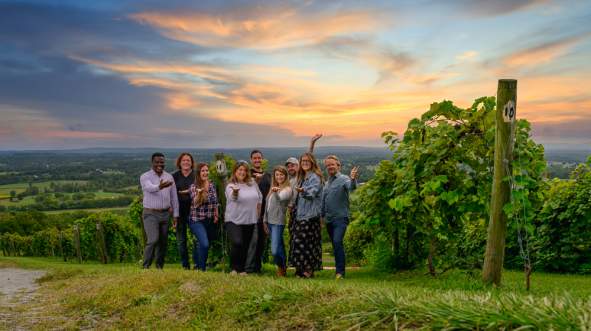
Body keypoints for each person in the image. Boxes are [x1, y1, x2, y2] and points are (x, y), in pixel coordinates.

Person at [321, 155, 359, 279]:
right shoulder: (326, 184)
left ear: (338, 166)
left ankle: (340, 272)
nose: (330, 167)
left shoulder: (344, 179)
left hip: (341, 218)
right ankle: (338, 270)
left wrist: (353, 178)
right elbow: (323, 201)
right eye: (328, 165)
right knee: (335, 244)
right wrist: (321, 217)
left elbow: (351, 187)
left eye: (332, 164)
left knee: (337, 241)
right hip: (329, 219)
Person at [139, 152, 179, 269]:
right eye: (157, 162)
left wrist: (175, 215)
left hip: (166, 214)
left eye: (162, 162)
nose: (159, 164)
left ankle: (159, 267)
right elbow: (149, 188)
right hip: (150, 213)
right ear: (152, 163)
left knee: (163, 242)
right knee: (153, 239)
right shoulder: (145, 176)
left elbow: (174, 197)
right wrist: (159, 187)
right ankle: (145, 266)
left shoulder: (169, 177)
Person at [225, 161, 262, 275]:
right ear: (235, 171)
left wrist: (257, 214)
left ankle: (241, 269)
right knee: (237, 242)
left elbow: (259, 197)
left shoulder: (252, 183)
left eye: (245, 170)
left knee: (245, 245)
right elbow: (232, 198)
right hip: (233, 219)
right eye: (240, 170)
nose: (242, 172)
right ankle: (233, 268)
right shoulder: (230, 185)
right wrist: (236, 193)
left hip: (250, 220)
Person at [289, 152, 323, 278]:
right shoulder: (303, 177)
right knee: (298, 242)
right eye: (303, 161)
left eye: (307, 161)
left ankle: (308, 271)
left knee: (307, 243)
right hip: (300, 214)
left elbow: (311, 194)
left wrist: (303, 192)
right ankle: (300, 270)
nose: (305, 162)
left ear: (312, 162)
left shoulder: (315, 177)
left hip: (310, 215)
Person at [188, 163, 218, 271]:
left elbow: (215, 201)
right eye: (203, 171)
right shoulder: (193, 187)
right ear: (198, 173)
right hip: (196, 220)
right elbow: (195, 202)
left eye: (206, 170)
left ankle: (197, 265)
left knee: (203, 243)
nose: (205, 173)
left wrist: (216, 214)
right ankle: (202, 269)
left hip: (209, 220)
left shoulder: (212, 185)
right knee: (204, 244)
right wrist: (199, 194)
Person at [263, 166, 292, 277]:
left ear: (285, 176)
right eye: (277, 175)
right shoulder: (273, 188)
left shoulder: (287, 189)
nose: (279, 177)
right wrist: (264, 221)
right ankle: (283, 268)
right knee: (279, 246)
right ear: (274, 176)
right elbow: (267, 205)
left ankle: (280, 266)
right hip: (269, 221)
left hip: (278, 223)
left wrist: (275, 192)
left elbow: (280, 198)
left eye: (281, 174)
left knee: (274, 250)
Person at [245, 150, 271, 273]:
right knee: (251, 241)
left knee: (261, 241)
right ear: (251, 160)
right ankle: (248, 266)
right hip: (250, 213)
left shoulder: (268, 175)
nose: (257, 160)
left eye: (259, 158)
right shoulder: (247, 174)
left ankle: (258, 267)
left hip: (265, 214)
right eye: (254, 158)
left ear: (262, 159)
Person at [172, 152, 197, 270]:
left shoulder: (197, 175)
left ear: (192, 163)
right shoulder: (174, 176)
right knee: (181, 241)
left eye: (188, 160)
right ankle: (185, 265)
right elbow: (170, 195)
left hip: (195, 212)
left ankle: (198, 264)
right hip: (179, 213)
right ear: (179, 163)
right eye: (184, 160)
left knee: (196, 239)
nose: (186, 162)